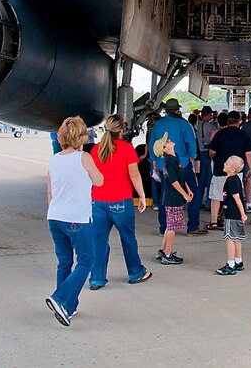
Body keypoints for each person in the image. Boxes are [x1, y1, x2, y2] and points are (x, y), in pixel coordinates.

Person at [44, 116, 104, 327]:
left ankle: (69, 305)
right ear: (81, 137)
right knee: (87, 260)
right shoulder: (84, 157)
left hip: (55, 216)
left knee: (65, 262)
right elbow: (99, 180)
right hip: (77, 218)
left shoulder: (54, 159)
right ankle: (61, 298)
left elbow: (50, 192)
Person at [88, 115, 152, 289]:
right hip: (120, 201)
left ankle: (97, 278)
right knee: (128, 238)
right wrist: (141, 196)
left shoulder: (96, 150)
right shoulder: (126, 149)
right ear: (122, 130)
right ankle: (135, 272)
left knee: (98, 240)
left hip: (98, 200)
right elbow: (134, 175)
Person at [148, 99, 206, 236]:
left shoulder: (158, 125)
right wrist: (192, 155)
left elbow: (152, 144)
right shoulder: (184, 124)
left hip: (163, 164)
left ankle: (164, 228)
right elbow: (191, 142)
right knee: (193, 193)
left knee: (165, 195)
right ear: (178, 110)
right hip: (182, 163)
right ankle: (192, 227)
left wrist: (154, 161)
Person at [206, 111, 251, 231]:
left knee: (216, 195)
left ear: (228, 121)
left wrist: (213, 158)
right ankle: (229, 219)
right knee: (233, 195)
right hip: (236, 171)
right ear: (239, 121)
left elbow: (212, 151)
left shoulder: (220, 134)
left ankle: (213, 222)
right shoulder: (244, 135)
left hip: (220, 169)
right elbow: (249, 154)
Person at [155, 132, 192, 266]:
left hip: (172, 197)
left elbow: (179, 177)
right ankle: (168, 254)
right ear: (165, 149)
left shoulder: (172, 159)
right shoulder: (170, 160)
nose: (169, 140)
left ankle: (164, 250)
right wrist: (184, 194)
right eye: (166, 142)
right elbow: (174, 181)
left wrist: (188, 189)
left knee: (169, 226)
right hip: (173, 197)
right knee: (172, 227)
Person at [215, 155, 248, 275]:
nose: (224, 163)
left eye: (227, 163)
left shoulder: (231, 181)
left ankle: (230, 264)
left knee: (229, 238)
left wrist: (242, 213)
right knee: (236, 239)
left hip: (232, 214)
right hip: (236, 214)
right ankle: (239, 261)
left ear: (233, 169)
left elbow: (237, 198)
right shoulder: (236, 179)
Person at [195, 106, 217, 209]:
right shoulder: (208, 125)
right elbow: (216, 132)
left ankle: (198, 200)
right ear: (208, 115)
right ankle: (209, 202)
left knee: (202, 179)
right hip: (208, 153)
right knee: (210, 178)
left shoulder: (199, 125)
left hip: (202, 152)